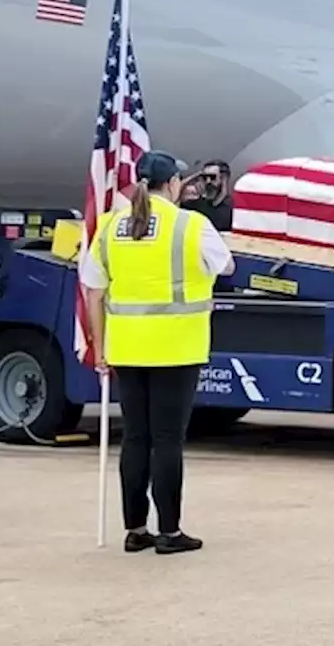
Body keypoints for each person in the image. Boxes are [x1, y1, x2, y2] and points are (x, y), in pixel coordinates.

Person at [80, 151, 235, 555]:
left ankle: (135, 529)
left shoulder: (111, 227)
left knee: (136, 437)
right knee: (167, 439)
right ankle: (169, 531)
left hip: (127, 348)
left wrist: (100, 346)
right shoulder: (190, 225)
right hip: (177, 347)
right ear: (173, 184)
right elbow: (226, 266)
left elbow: (94, 290)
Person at [180, 159, 233, 232]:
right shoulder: (196, 205)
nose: (208, 181)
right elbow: (173, 199)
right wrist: (196, 175)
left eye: (212, 177)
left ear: (223, 178)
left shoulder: (232, 208)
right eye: (205, 177)